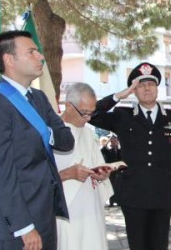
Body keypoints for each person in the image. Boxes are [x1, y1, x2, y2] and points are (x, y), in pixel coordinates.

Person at [0, 30, 74, 249]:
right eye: (31, 52)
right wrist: (23, 226)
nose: (40, 56)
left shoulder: (38, 98)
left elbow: (66, 141)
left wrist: (43, 131)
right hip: (17, 223)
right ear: (9, 60)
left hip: (45, 212)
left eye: (37, 51)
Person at [88, 62, 171, 250]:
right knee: (138, 245)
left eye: (150, 84)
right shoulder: (122, 116)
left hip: (163, 194)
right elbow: (91, 114)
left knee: (159, 245)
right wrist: (119, 95)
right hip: (133, 194)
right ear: (134, 91)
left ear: (157, 88)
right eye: (140, 85)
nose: (146, 89)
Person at [54, 82, 113, 250]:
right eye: (84, 113)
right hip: (66, 212)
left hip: (92, 210)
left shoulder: (88, 133)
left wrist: (102, 175)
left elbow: (99, 164)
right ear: (68, 106)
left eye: (91, 113)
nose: (88, 118)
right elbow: (39, 177)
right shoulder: (51, 132)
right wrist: (68, 174)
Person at [100, 134, 123, 207]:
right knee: (112, 186)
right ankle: (112, 201)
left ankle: (119, 201)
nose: (114, 142)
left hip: (119, 171)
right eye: (112, 141)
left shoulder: (120, 150)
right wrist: (108, 141)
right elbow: (102, 150)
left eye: (115, 141)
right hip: (111, 171)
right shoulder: (108, 150)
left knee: (119, 186)